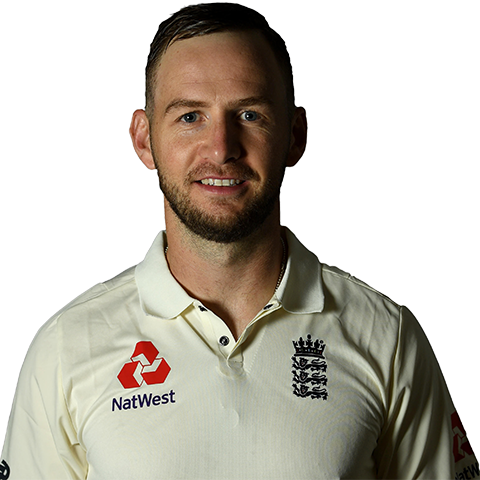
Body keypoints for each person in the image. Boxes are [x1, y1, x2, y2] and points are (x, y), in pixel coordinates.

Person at [1, 3, 478, 479]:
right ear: (144, 139)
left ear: (294, 135)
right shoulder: (67, 349)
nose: (221, 148)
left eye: (249, 114)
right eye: (191, 116)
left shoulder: (388, 340)